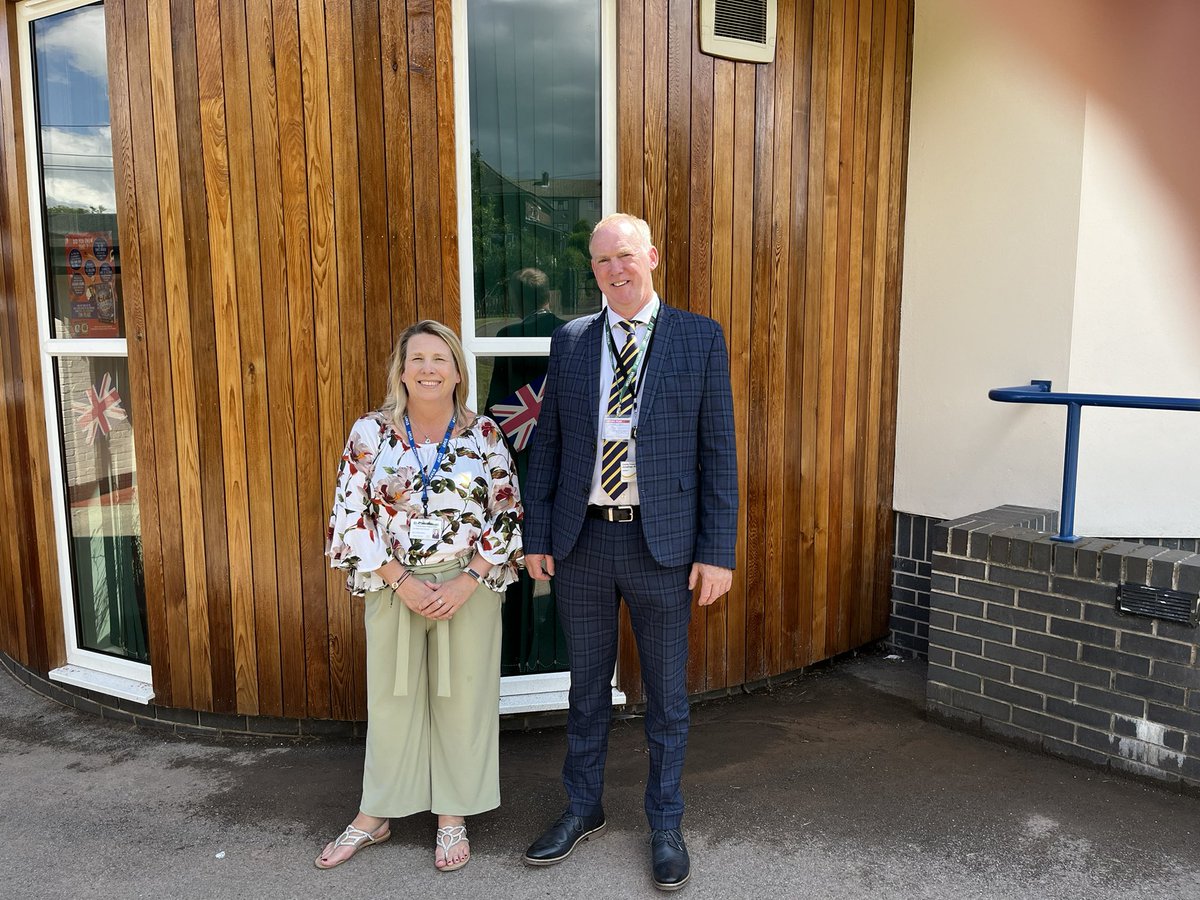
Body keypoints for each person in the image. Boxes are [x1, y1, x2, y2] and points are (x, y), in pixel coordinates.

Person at [522, 213, 738, 891]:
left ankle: (665, 822)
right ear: (592, 271)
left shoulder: (699, 336)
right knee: (586, 689)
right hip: (583, 541)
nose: (615, 269)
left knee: (667, 696)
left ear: (652, 256)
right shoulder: (572, 340)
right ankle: (582, 807)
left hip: (662, 546)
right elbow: (550, 443)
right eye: (602, 261)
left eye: (625, 255)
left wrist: (717, 551)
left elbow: (718, 451)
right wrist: (537, 535)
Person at [320, 320, 523, 873]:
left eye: (440, 359)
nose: (428, 369)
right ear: (402, 371)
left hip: (469, 587)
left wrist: (467, 580)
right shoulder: (370, 432)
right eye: (418, 359)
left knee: (463, 701)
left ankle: (452, 814)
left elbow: (508, 512)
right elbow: (349, 515)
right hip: (393, 584)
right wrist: (401, 581)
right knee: (392, 701)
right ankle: (375, 813)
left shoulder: (484, 434)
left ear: (458, 372)